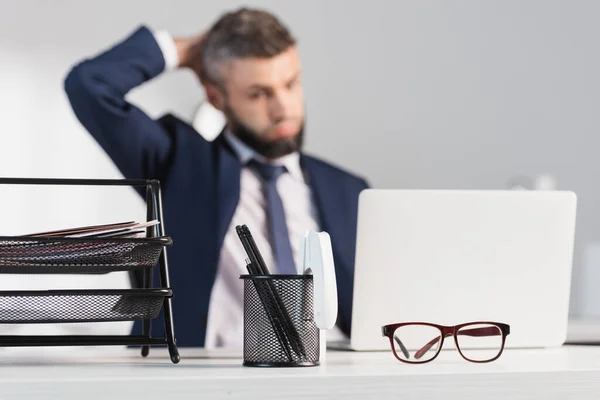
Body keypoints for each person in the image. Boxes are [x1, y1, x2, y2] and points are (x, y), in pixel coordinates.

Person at [64, 7, 369, 348]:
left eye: (291, 83)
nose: (284, 107)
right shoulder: (179, 163)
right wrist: (184, 51)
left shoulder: (349, 189)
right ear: (215, 97)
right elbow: (89, 86)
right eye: (259, 94)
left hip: (333, 368)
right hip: (211, 372)